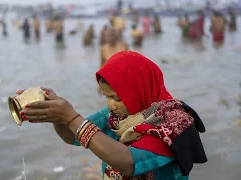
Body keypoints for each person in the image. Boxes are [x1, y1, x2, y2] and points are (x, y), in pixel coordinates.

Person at [17, 51, 208, 179]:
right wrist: (58, 116)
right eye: (107, 97)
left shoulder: (172, 124)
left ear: (139, 90)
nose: (111, 104)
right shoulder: (117, 116)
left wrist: (71, 117)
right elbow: (72, 136)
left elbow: (127, 163)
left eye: (117, 98)